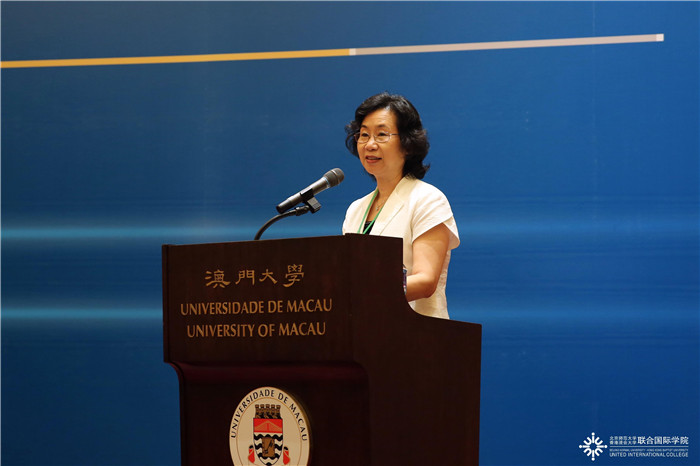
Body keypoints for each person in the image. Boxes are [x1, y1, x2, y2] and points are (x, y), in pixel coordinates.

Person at [342, 92, 459, 319]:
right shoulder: (356, 209)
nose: (370, 144)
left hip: (416, 332)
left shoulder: (427, 199)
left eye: (381, 135)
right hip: (363, 331)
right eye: (364, 135)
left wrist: (364, 290)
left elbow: (425, 281)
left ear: (407, 144)